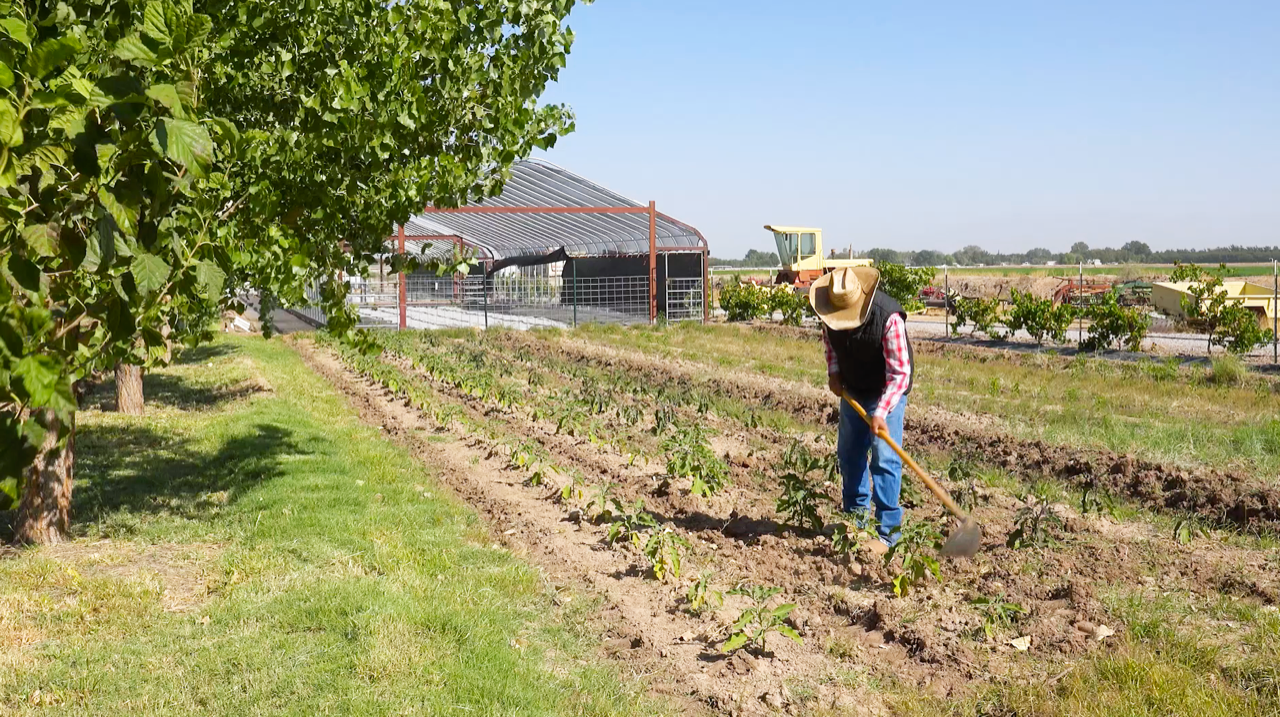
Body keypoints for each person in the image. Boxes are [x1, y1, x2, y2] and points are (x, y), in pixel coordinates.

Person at [809, 266, 913, 556]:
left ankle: (888, 534)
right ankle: (855, 520)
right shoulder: (830, 313)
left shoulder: (888, 318)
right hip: (854, 388)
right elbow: (830, 343)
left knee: (885, 458)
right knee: (850, 452)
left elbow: (899, 374)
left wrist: (881, 412)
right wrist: (834, 372)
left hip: (886, 390)